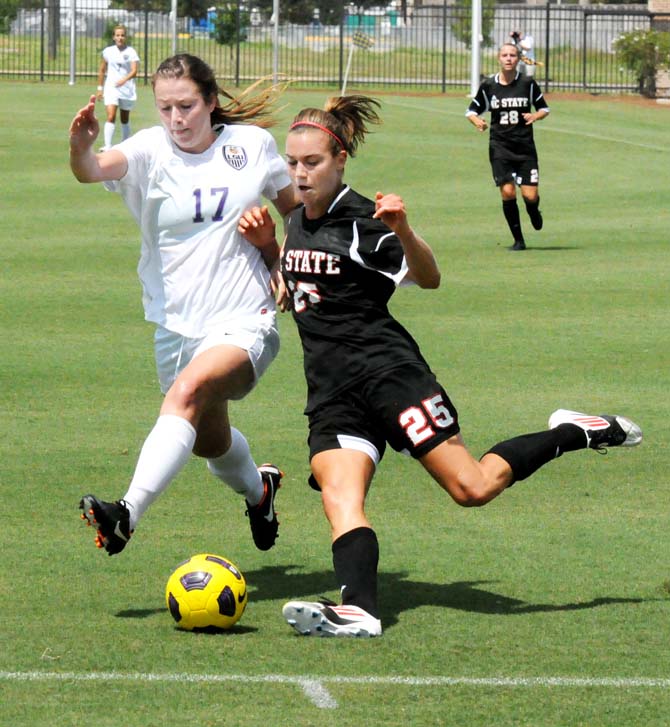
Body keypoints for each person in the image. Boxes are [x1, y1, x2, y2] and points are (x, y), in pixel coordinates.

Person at [238, 95, 642, 638]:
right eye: (292, 163)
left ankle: (574, 431)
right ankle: (360, 609)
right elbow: (299, 290)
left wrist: (403, 228)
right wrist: (269, 251)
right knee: (340, 496)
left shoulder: (365, 221)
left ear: (339, 161)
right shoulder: (296, 220)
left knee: (471, 488)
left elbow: (428, 278)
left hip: (390, 376)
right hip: (332, 392)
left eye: (311, 163)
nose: (299, 173)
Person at [70, 53, 298, 556]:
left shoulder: (252, 145)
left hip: (245, 318)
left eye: (188, 106)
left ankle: (125, 513)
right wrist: (80, 146)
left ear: (211, 102)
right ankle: (260, 492)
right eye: (167, 107)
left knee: (189, 391)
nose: (177, 119)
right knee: (208, 443)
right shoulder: (150, 149)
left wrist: (277, 256)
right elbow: (91, 170)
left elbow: (297, 213)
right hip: (176, 327)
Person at [466, 42, 549, 251]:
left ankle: (533, 210)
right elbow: (471, 111)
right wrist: (478, 122)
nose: (509, 58)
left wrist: (535, 116)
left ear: (519, 59)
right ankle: (519, 240)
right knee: (508, 192)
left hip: (525, 148)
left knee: (529, 196)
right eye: (505, 55)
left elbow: (544, 109)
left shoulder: (528, 84)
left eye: (513, 55)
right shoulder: (488, 86)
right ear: (498, 58)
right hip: (500, 147)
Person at [96, 25, 140, 151]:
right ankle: (108, 145)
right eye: (117, 35)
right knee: (111, 116)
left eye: (122, 35)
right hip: (111, 88)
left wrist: (124, 80)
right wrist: (100, 88)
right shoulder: (108, 51)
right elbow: (102, 70)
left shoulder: (131, 52)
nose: (120, 38)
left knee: (124, 118)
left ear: (125, 37)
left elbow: (134, 71)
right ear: (113, 37)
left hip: (126, 89)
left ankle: (125, 145)